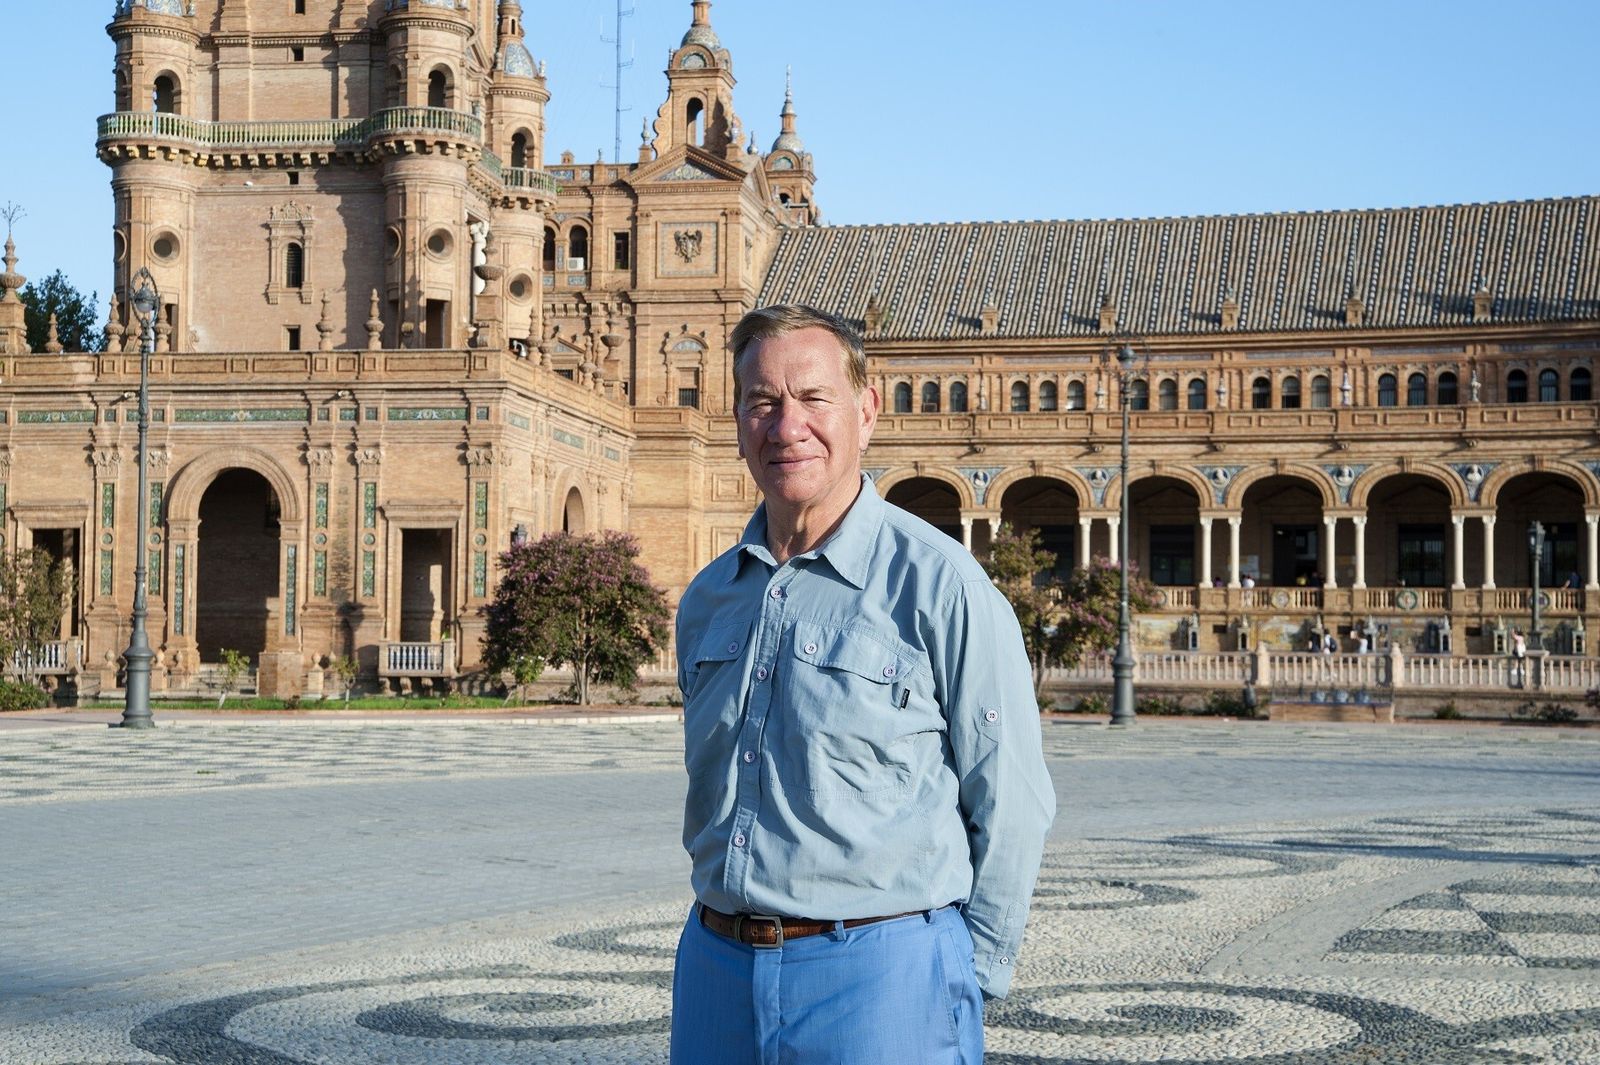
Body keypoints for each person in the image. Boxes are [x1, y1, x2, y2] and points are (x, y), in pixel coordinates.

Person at [670, 304, 1056, 1064]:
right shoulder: (710, 597)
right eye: (761, 402)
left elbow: (1012, 797)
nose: (786, 427)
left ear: (867, 411)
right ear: (738, 418)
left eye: (813, 399)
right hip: (717, 967)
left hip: (881, 976)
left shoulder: (943, 585)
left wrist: (960, 973)